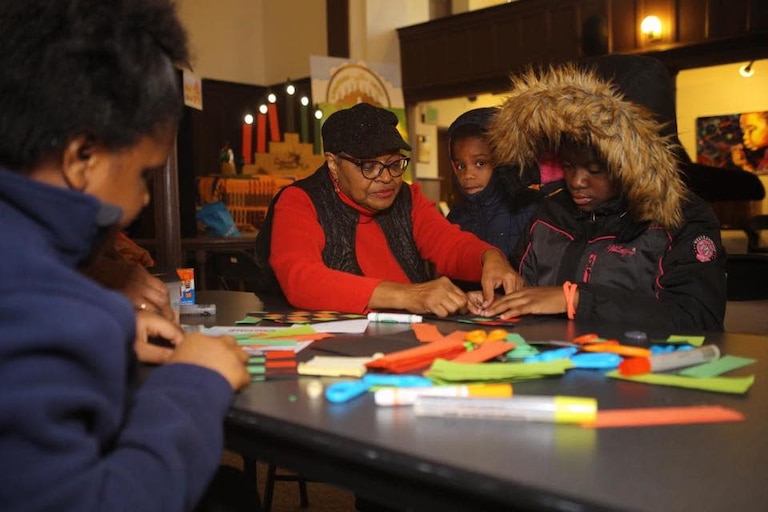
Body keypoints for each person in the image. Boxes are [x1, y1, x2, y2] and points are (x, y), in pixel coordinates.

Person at [0, 2, 253, 511]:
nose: (141, 201)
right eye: (142, 175)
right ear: (82, 157)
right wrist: (194, 381)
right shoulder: (49, 308)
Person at [468, 55, 726, 331]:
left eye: (595, 169)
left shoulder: (683, 219)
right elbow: (525, 291)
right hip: (548, 362)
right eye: (568, 165)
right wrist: (497, 300)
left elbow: (698, 317)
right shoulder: (550, 213)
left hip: (637, 369)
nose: (577, 181)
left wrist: (577, 299)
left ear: (633, 164)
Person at [254, 102, 522, 316]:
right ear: (333, 165)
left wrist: (488, 256)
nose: (386, 178)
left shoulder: (408, 197)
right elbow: (302, 280)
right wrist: (411, 296)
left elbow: (449, 244)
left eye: (395, 164)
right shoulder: (299, 200)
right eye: (368, 167)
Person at [445, 107, 537, 259]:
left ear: (503, 160)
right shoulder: (455, 218)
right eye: (461, 166)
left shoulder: (530, 208)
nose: (468, 175)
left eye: (480, 163)